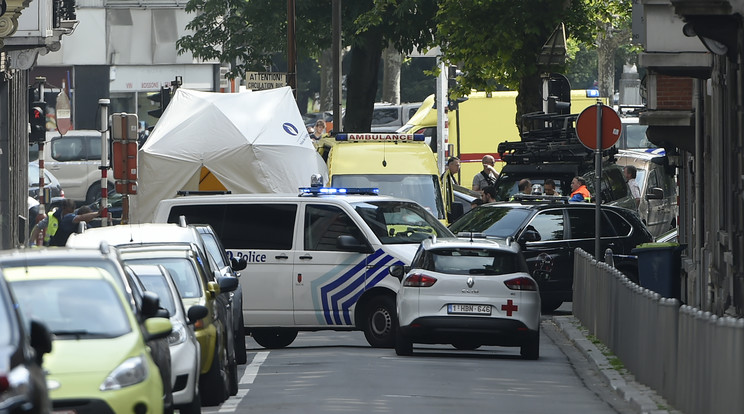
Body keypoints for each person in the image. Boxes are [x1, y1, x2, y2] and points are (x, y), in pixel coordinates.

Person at [30, 199, 100, 246]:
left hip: (66, 246)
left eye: (71, 212)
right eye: (68, 211)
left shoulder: (71, 217)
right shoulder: (53, 216)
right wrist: (31, 243)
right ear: (63, 208)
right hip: (51, 246)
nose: (69, 214)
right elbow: (38, 227)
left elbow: (82, 217)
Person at [441, 156, 461, 222]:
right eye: (457, 165)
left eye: (459, 166)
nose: (458, 167)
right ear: (450, 165)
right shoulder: (446, 177)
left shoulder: (450, 176)